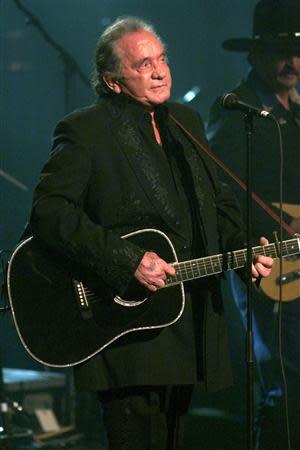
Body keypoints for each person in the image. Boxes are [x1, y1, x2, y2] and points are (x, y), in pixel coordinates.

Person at [28, 17, 273, 450]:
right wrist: (127, 259)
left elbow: (219, 204)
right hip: (123, 322)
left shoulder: (186, 121)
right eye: (143, 64)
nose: (160, 71)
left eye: (162, 59)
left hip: (188, 318)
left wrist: (243, 247)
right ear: (113, 81)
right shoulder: (85, 129)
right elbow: (49, 213)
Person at [207, 0, 300, 449]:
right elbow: (219, 190)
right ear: (256, 54)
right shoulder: (236, 110)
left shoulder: (299, 113)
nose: (292, 61)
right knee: (284, 385)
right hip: (265, 260)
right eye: (281, 50)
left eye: (298, 51)